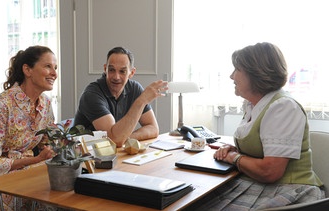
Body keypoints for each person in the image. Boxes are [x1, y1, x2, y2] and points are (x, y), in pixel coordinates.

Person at [191, 42, 324, 210]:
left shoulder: (282, 107)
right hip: (258, 184)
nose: (231, 76)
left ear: (256, 74)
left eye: (237, 70)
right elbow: (263, 149)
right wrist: (235, 150)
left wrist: (235, 158)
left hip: (288, 190)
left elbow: (270, 172)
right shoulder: (254, 105)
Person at [0, 45, 57, 210]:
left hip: (26, 170)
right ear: (27, 70)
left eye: (55, 68)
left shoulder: (45, 104)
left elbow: (48, 143)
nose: (54, 74)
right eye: (48, 66)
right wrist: (36, 159)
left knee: (65, 188)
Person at [74, 46, 168, 147]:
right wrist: (142, 101)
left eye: (122, 71)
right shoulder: (91, 95)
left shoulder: (134, 88)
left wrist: (126, 137)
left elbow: (153, 128)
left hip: (111, 153)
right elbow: (114, 139)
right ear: (105, 69)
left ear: (131, 73)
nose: (116, 77)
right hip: (86, 157)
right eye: (111, 70)